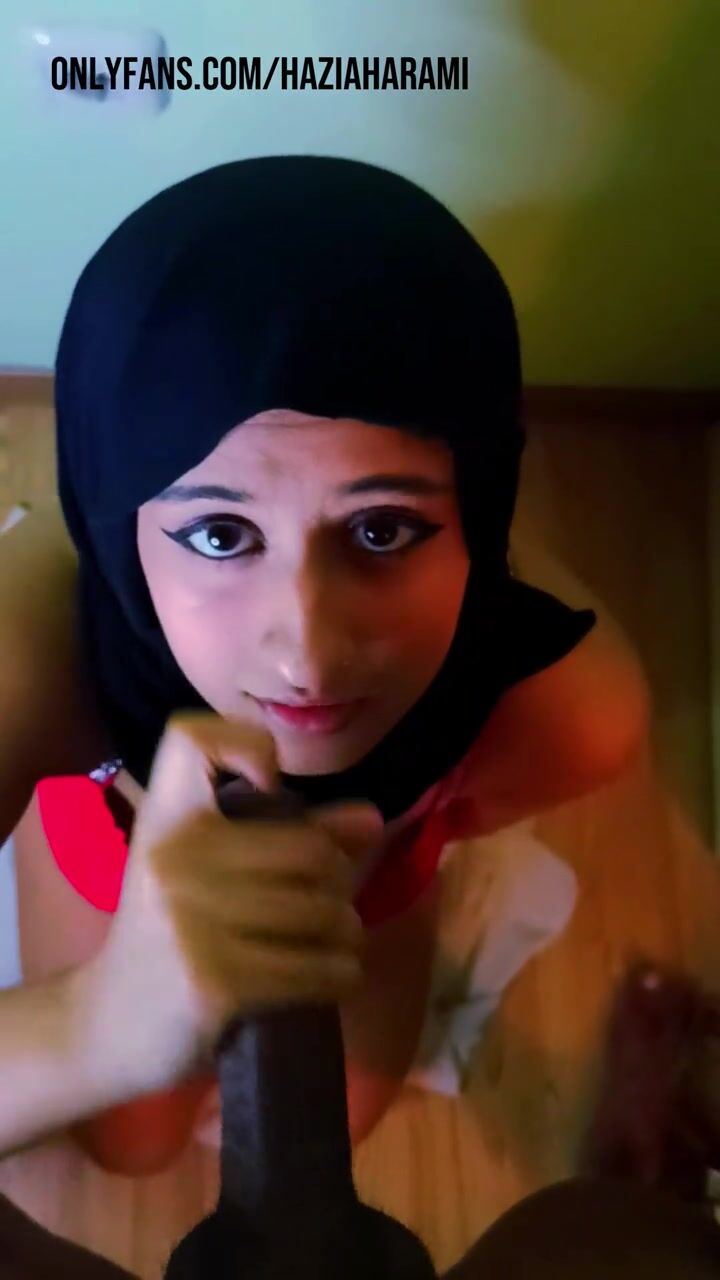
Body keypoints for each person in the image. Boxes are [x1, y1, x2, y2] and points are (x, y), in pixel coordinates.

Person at [0, 155, 649, 1175]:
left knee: (335, 1126)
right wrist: (93, 1025)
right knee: (128, 1139)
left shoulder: (566, 699)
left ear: (484, 510)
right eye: (220, 535)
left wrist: (400, 842)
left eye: (382, 527)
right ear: (110, 517)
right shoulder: (34, 657)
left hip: (365, 873)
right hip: (107, 855)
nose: (306, 649)